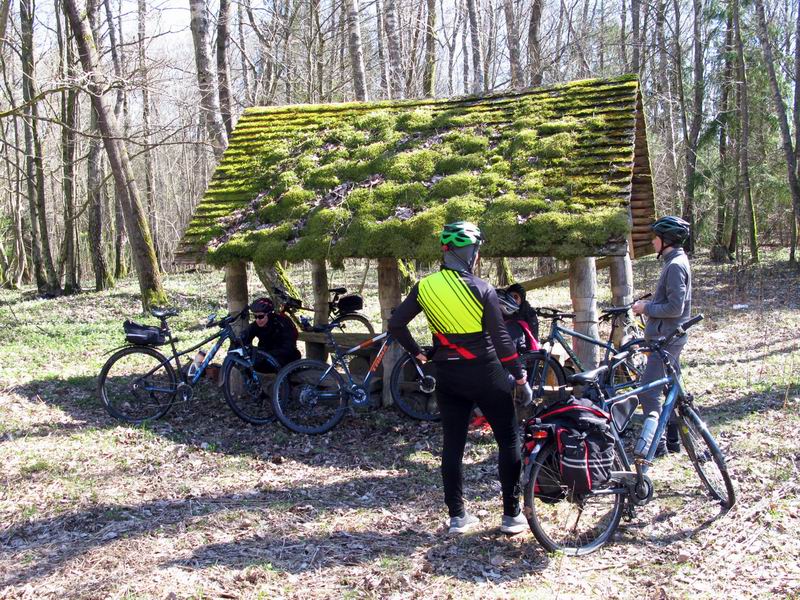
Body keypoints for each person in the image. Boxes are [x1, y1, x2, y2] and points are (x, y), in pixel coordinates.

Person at [388, 221, 529, 535]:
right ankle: (511, 515)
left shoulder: (425, 287)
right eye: (476, 251)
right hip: (487, 371)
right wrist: (520, 376)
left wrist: (418, 353)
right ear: (470, 253)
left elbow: (396, 324)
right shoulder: (482, 289)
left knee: (453, 444)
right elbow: (503, 341)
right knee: (508, 440)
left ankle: (457, 517)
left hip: (447, 374)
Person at [631, 216, 692, 454]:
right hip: (668, 336)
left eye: (655, 238)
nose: (653, 242)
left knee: (649, 389)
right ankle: (675, 440)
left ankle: (656, 444)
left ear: (666, 240)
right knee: (672, 389)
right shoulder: (674, 261)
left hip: (667, 339)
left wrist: (646, 308)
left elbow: (676, 308)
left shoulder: (676, 265)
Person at [241, 297, 301, 373]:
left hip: (287, 357)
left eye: (260, 316)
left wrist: (266, 354)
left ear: (269, 315)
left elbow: (289, 348)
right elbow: (244, 338)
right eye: (255, 317)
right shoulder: (257, 324)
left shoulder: (283, 323)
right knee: (246, 365)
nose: (257, 320)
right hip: (267, 356)